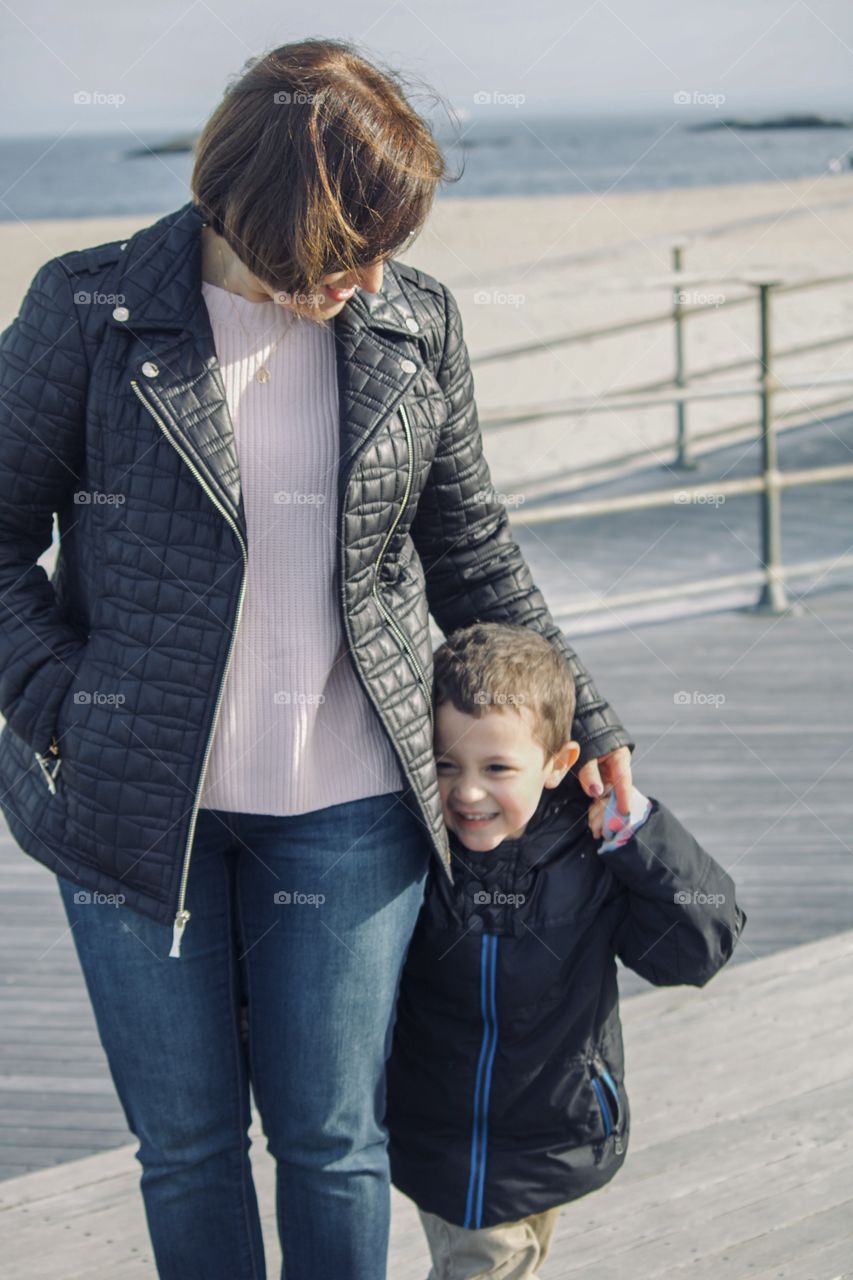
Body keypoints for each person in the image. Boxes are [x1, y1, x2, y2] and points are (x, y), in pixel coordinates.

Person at [0, 38, 638, 1280]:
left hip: (351, 811)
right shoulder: (87, 308)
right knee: (185, 1146)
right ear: (261, 204)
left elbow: (473, 555)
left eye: (389, 243)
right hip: (138, 814)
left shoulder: (411, 322)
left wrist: (592, 717)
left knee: (332, 1140)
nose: (369, 274)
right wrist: (60, 701)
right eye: (349, 243)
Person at [385, 621, 747, 1279]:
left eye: (496, 768)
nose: (466, 792)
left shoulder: (588, 857)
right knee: (488, 1263)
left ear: (557, 763)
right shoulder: (411, 852)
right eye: (445, 765)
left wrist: (636, 834)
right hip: (444, 1140)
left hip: (555, 1127)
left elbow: (696, 950)